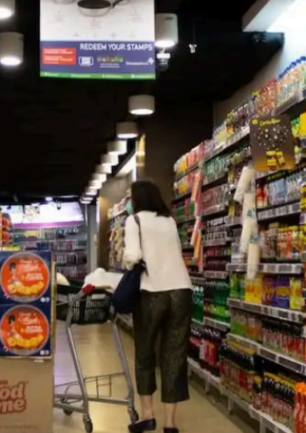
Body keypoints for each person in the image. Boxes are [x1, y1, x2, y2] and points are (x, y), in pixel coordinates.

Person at [122, 179, 193, 433]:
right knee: (174, 355)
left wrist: (126, 260)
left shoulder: (134, 220)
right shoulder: (170, 220)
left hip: (152, 292)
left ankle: (148, 415)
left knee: (145, 353)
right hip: (181, 290)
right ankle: (170, 423)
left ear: (136, 199)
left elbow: (133, 256)